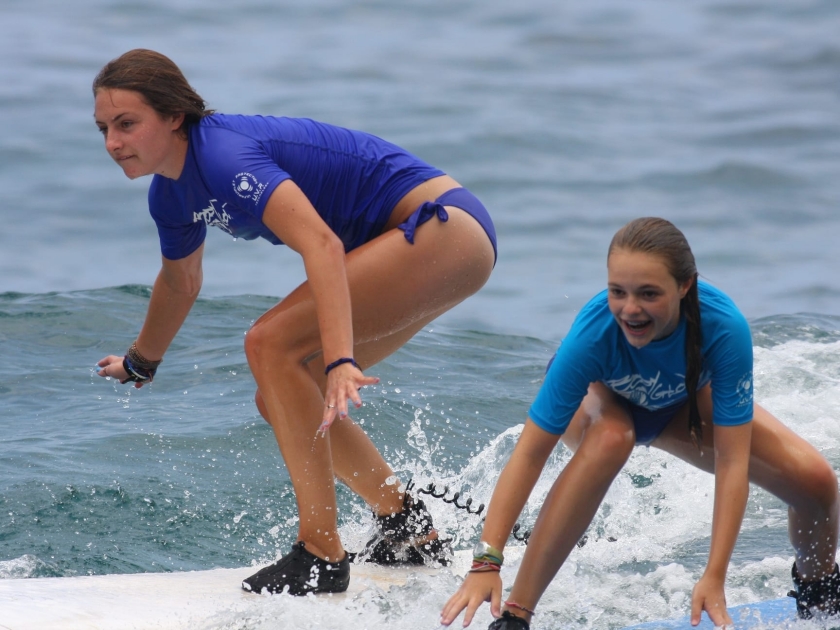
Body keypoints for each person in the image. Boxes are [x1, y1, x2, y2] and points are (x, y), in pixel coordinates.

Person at [92, 49, 497, 596]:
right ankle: (405, 526)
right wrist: (141, 361)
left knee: (269, 343)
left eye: (126, 124)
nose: (113, 142)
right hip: (431, 247)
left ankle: (320, 553)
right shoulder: (171, 195)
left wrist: (341, 360)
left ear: (173, 116)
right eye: (104, 129)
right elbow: (180, 282)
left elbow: (322, 246)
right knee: (283, 398)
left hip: (442, 230)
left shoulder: (225, 156)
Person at [441, 217, 840, 629]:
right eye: (618, 292)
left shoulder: (723, 327)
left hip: (680, 408)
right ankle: (515, 616)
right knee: (614, 437)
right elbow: (529, 455)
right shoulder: (592, 336)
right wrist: (486, 564)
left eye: (648, 294)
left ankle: (819, 597)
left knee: (817, 482)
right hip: (601, 405)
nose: (630, 309)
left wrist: (714, 574)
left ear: (686, 286)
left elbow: (732, 462)